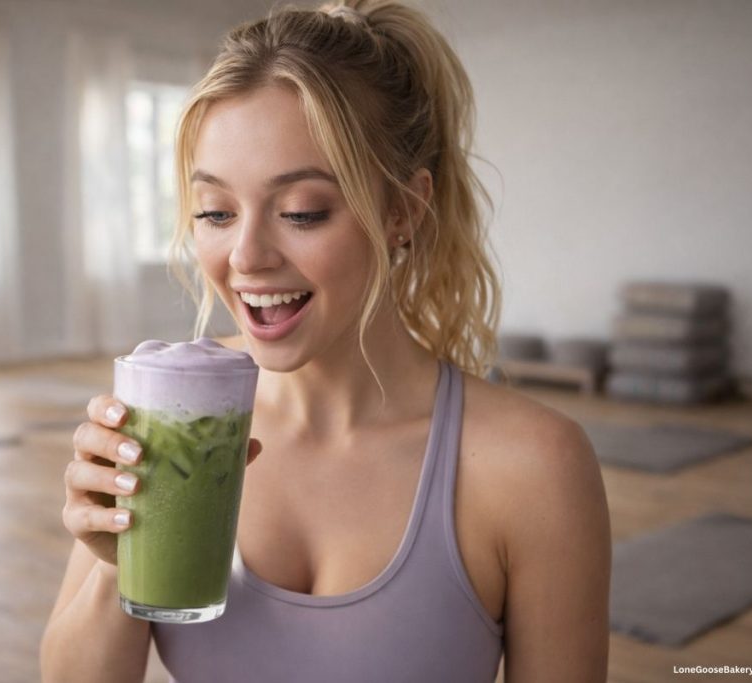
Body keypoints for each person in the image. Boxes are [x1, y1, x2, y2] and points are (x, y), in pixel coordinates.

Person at [41, 1, 611, 681]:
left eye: (301, 212)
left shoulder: (534, 467)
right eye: (216, 212)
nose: (245, 256)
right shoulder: (171, 409)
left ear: (403, 211)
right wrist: (119, 561)